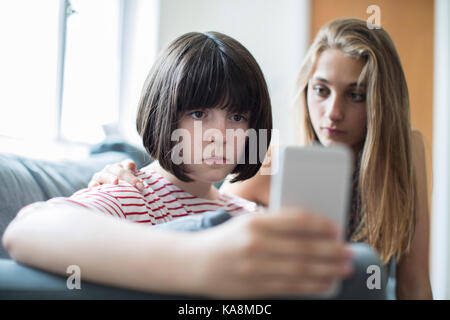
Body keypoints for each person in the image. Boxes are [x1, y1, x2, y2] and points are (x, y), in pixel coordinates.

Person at [88, 19, 433, 299]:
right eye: (321, 90)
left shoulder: (406, 154)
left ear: (380, 102)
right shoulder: (270, 163)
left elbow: (414, 282)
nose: (333, 113)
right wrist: (123, 178)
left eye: (356, 95)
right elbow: (209, 225)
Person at [2, 31, 356, 299]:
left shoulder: (247, 215)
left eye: (237, 116)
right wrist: (198, 259)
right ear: (164, 116)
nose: (221, 134)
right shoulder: (131, 193)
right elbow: (27, 229)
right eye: (199, 113)